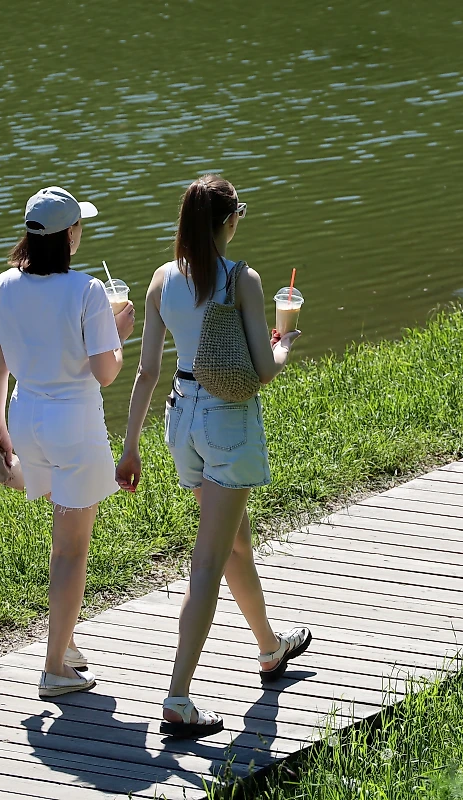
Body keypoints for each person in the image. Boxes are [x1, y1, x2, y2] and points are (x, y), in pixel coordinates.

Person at [116, 174, 311, 738]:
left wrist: (130, 446)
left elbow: (149, 370)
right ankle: (178, 698)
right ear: (229, 221)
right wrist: (284, 342)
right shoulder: (240, 279)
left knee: (234, 542)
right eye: (238, 214)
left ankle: (270, 649)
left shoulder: (159, 282)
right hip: (227, 421)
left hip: (181, 421)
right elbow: (261, 370)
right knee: (208, 558)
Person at [0, 186, 135, 698]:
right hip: (76, 426)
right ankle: (54, 669)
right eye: (79, 226)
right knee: (72, 550)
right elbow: (105, 372)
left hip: (27, 418)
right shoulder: (87, 290)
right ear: (70, 235)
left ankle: (63, 643)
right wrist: (120, 334)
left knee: (60, 539)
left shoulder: (4, 285)